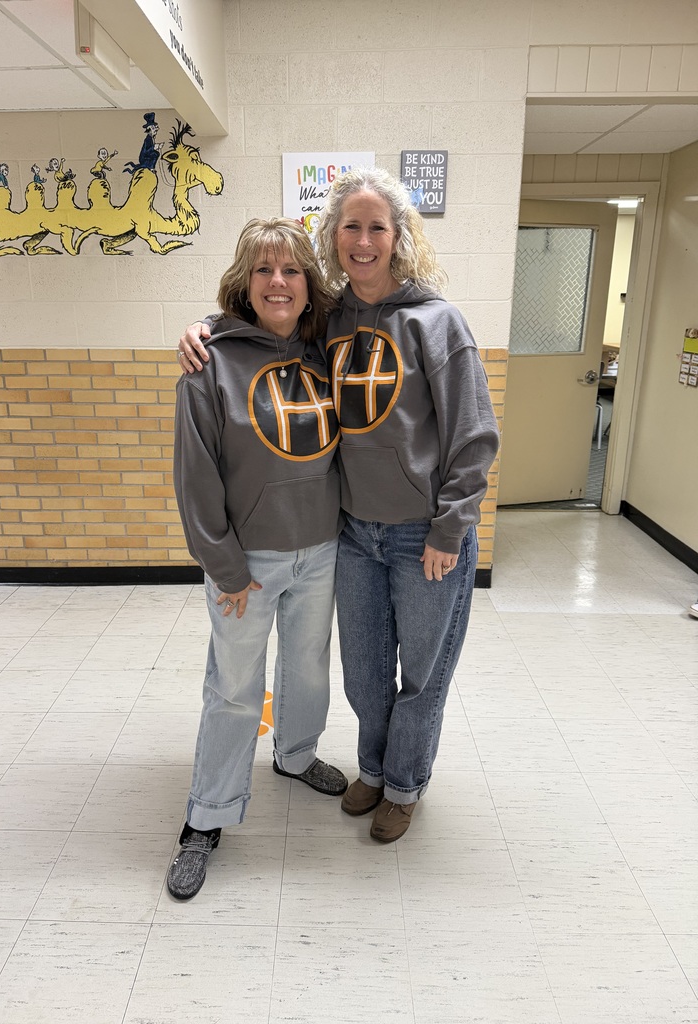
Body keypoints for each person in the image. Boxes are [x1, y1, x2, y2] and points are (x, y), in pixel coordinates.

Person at [179, 167, 499, 843]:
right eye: (349, 226)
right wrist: (204, 328)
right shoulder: (332, 322)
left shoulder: (437, 323)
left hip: (424, 538)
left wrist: (450, 527)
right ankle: (370, 772)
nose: (363, 240)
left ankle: (403, 784)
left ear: (398, 236)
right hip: (352, 533)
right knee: (361, 675)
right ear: (334, 238)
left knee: (421, 674)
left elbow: (475, 438)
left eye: (376, 226)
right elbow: (259, 325)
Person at [169, 217, 347, 902]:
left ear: (310, 286)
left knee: (306, 669)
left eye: (293, 270)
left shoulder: (328, 349)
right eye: (265, 269)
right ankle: (205, 818)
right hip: (246, 561)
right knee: (236, 689)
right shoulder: (208, 359)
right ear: (246, 281)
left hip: (324, 549)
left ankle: (296, 756)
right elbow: (196, 476)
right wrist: (225, 566)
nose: (279, 281)